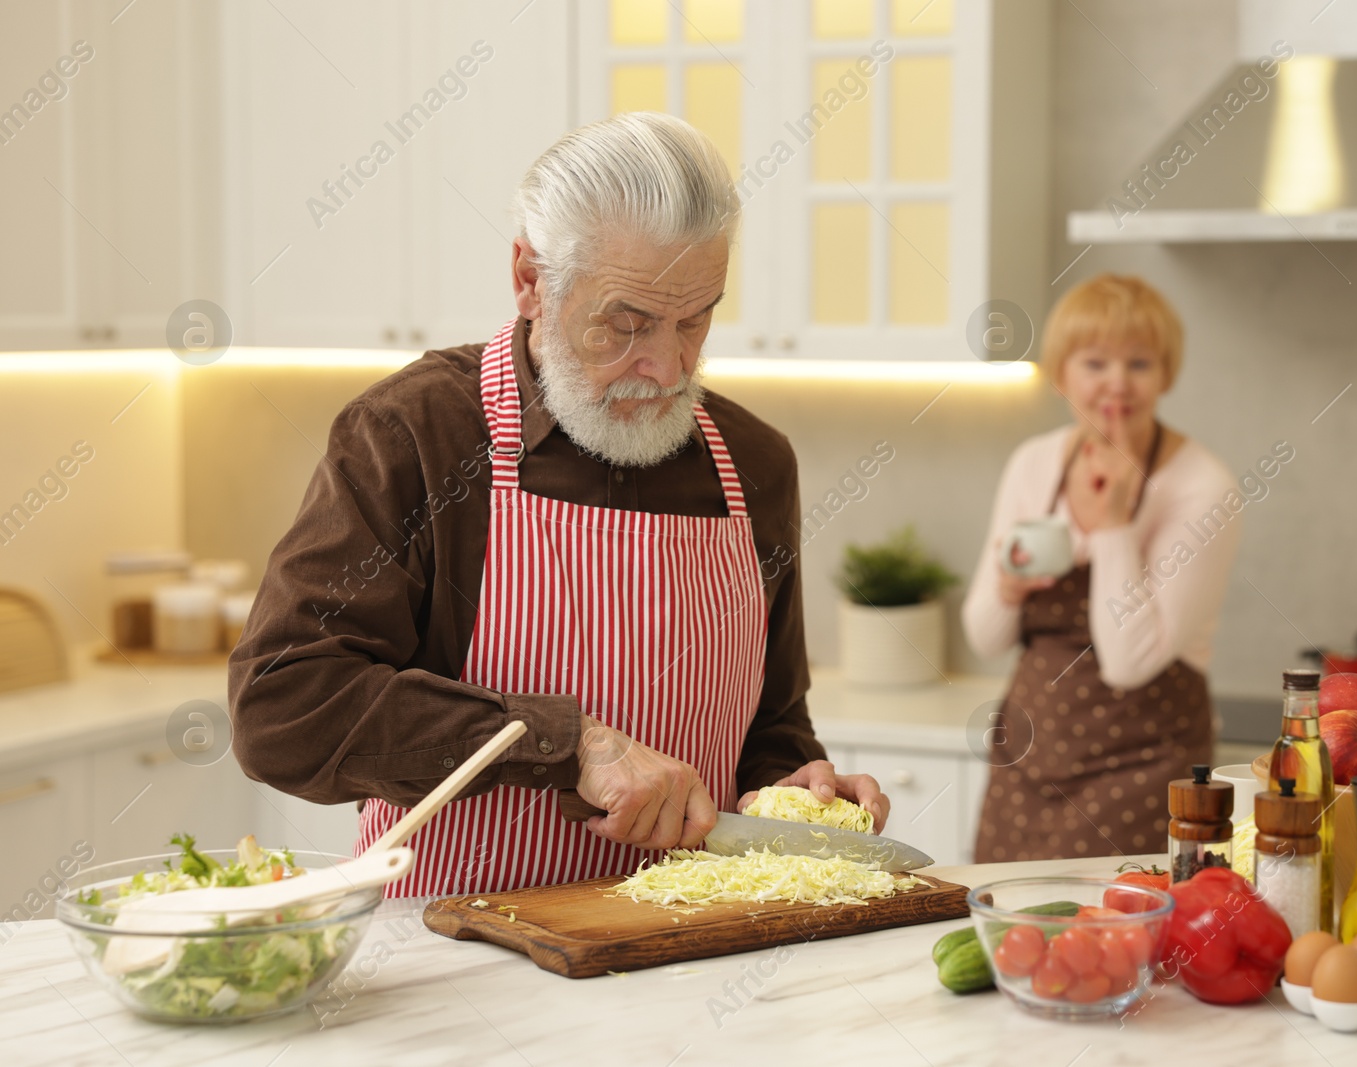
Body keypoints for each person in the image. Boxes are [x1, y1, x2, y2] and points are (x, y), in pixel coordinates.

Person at [229, 113, 886, 896]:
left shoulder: (754, 465)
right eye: (627, 324)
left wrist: (798, 792)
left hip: (688, 949)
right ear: (531, 279)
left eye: (696, 317)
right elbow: (283, 703)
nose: (669, 366)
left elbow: (770, 727)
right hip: (456, 948)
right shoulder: (415, 436)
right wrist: (564, 744)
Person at [962, 274, 1240, 862]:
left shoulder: (1202, 488)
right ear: (1062, 374)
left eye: (1139, 363)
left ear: (1166, 374)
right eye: (1095, 362)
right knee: (1007, 936)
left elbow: (1129, 663)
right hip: (1028, 760)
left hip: (1144, 768)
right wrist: (1008, 589)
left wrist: (1115, 527)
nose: (1117, 383)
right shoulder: (1034, 464)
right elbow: (985, 637)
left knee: (1119, 939)